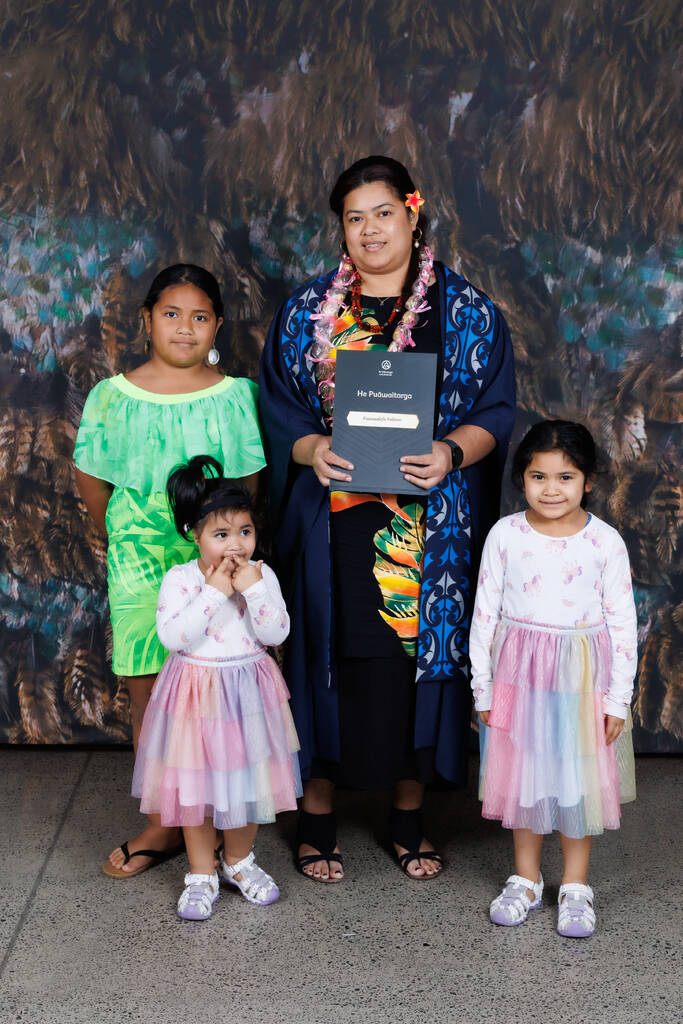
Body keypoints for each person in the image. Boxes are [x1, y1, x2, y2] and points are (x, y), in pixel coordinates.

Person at [259, 155, 515, 881]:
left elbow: (496, 408)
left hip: (428, 525)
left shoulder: (465, 313)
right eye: (353, 217)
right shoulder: (307, 312)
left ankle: (409, 813)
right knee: (328, 655)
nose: (369, 229)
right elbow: (278, 408)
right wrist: (312, 447)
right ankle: (315, 812)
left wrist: (450, 450)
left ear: (411, 212)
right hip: (333, 516)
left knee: (412, 667)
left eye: (382, 212)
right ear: (340, 227)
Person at [74, 263, 265, 877]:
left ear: (218, 326)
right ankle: (166, 821)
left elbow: (248, 486)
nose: (186, 328)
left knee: (220, 688)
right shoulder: (112, 396)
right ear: (146, 320)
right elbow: (92, 478)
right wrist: (127, 540)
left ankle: (222, 815)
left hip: (215, 562)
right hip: (139, 564)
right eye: (172, 314)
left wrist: (226, 553)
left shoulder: (235, 395)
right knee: (151, 691)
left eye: (201, 317)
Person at [469, 420, 637, 937]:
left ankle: (576, 887)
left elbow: (624, 623)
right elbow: (485, 614)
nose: (551, 489)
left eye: (565, 477)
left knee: (573, 782)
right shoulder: (505, 534)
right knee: (525, 779)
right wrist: (483, 686)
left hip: (580, 682)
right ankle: (525, 879)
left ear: (588, 481)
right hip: (519, 676)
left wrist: (617, 699)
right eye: (538, 476)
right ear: (522, 479)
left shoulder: (604, 542)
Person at [132, 456, 301, 919]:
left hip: (247, 694)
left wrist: (254, 590)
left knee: (245, 784)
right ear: (195, 535)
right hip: (196, 695)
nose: (236, 545)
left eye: (244, 532)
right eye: (221, 535)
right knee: (197, 790)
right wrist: (215, 593)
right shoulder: (183, 580)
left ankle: (239, 861)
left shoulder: (260, 576)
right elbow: (173, 637)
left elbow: (276, 634)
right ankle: (202, 871)